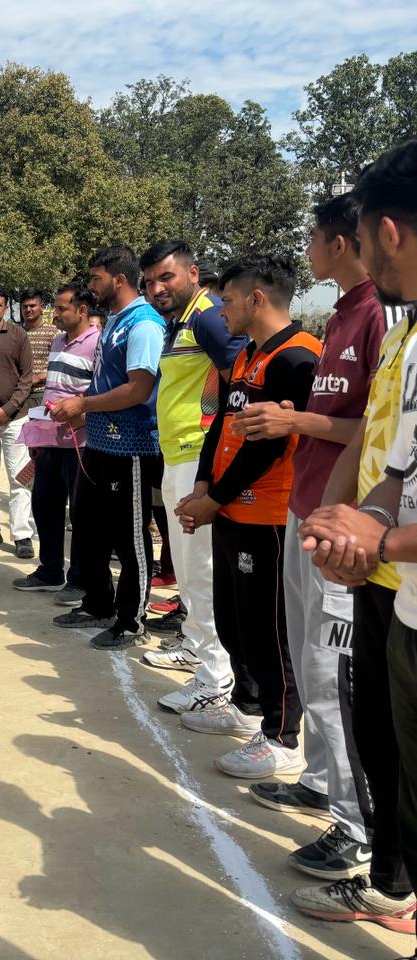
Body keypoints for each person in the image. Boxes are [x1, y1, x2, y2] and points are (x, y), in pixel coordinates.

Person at [234, 195, 389, 882]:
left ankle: (359, 833)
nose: (309, 249)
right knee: (309, 661)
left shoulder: (381, 315)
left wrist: (297, 422)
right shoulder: (342, 316)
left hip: (341, 524)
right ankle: (324, 784)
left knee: (331, 680)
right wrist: (300, 422)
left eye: (315, 237)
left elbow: (372, 431)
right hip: (311, 508)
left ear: (342, 242)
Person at [298, 140, 417, 936]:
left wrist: (378, 542)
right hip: (405, 599)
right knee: (391, 752)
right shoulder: (409, 338)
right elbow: (398, 468)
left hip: (396, 578)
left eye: (368, 242)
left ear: (386, 233)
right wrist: (360, 521)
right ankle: (392, 881)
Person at [175, 254, 321, 780]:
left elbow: (268, 447)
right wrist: (202, 490)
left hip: (271, 515)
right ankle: (248, 706)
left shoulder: (298, 358)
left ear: (257, 298)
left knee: (270, 627)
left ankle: (282, 736)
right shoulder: (246, 356)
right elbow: (221, 426)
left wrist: (215, 500)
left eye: (229, 299)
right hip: (231, 506)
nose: (221, 308)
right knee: (236, 620)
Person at [136, 240, 247, 715]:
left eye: (166, 277)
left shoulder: (207, 315)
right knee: (187, 565)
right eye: (150, 282)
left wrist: (213, 467)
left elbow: (238, 379)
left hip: (198, 458)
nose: (157, 288)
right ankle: (198, 647)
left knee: (200, 569)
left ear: (192, 273)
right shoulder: (179, 322)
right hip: (178, 456)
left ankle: (216, 678)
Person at [50, 245, 165, 649]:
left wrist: (83, 404)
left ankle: (132, 621)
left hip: (131, 445)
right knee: (87, 526)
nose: (90, 285)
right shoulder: (116, 320)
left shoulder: (145, 324)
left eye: (95, 278)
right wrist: (82, 413)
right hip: (100, 441)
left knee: (129, 537)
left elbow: (138, 389)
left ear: (118, 279)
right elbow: (107, 383)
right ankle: (98, 603)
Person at [13, 281, 99, 608]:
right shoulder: (58, 341)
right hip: (49, 439)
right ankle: (50, 571)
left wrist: (80, 406)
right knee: (45, 506)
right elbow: (52, 389)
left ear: (81, 310)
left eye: (61, 308)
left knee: (81, 514)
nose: (55, 314)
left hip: (81, 442)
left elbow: (101, 388)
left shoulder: (97, 343)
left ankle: (79, 578)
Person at [0, 283, 34, 558]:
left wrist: (9, 408)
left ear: (6, 307)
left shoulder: (18, 335)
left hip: (15, 418)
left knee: (19, 477)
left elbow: (27, 378)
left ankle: (22, 534)